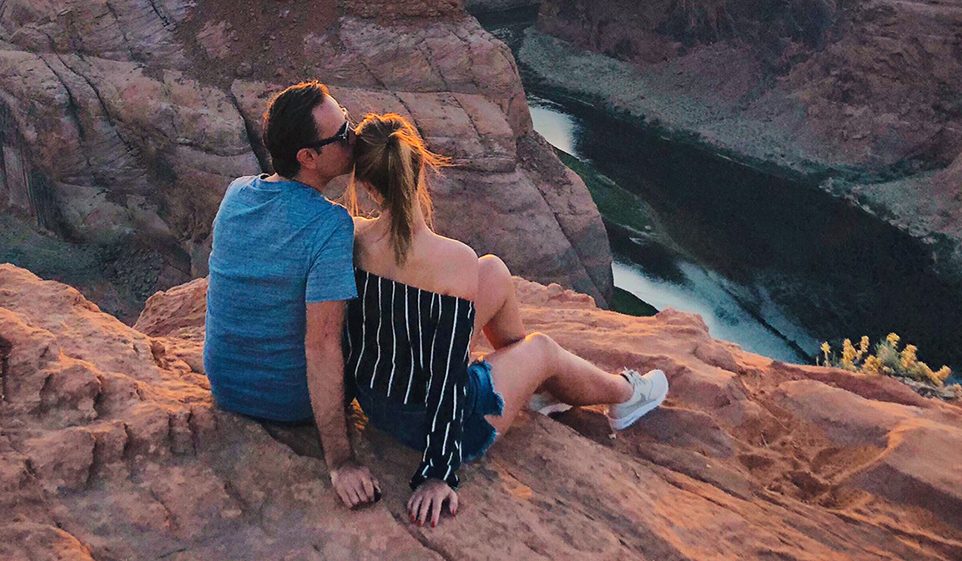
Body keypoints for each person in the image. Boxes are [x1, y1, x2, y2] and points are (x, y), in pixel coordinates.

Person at [342, 112, 669, 528]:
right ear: (419, 170)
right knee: (543, 348)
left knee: (493, 270)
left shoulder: (352, 235)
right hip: (445, 423)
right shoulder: (452, 260)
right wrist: (439, 473)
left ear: (368, 187)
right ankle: (625, 395)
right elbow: (446, 377)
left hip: (380, 404)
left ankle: (537, 389)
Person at [204, 80, 381, 509]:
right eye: (341, 135)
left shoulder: (236, 193)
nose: (352, 138)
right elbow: (321, 345)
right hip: (290, 402)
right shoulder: (329, 224)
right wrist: (340, 461)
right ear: (308, 157)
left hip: (226, 386)